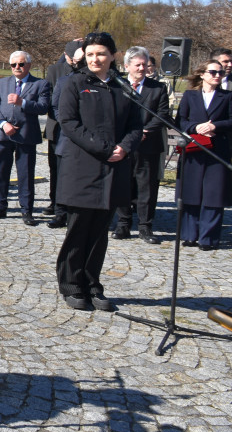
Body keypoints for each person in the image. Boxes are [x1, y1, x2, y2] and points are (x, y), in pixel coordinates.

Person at [55, 32, 142, 311]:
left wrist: (125, 148)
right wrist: (106, 148)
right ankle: (71, 284)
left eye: (101, 53)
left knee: (100, 232)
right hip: (83, 167)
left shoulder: (122, 86)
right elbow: (68, 122)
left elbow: (136, 125)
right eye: (90, 54)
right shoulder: (74, 83)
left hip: (114, 169)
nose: (95, 59)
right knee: (78, 229)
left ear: (113, 56)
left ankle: (93, 284)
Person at [112, 47, 170, 244]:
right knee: (123, 185)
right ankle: (123, 224)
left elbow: (162, 115)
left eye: (145, 64)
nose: (142, 68)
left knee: (147, 188)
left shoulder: (157, 88)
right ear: (127, 66)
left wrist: (144, 131)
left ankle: (146, 226)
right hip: (123, 145)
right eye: (138, 65)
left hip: (147, 146)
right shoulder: (116, 86)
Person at [0, 51, 51, 225]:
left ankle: (26, 210)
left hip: (26, 136)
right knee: (0, 172)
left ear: (29, 65)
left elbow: (43, 107)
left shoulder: (41, 84)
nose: (17, 67)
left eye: (21, 64)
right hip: (3, 134)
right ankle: (0, 205)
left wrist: (22, 102)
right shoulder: (3, 83)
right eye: (13, 65)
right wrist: (2, 124)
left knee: (26, 174)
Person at [176, 60, 232, 251]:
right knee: (191, 192)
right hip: (194, 150)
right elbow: (180, 121)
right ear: (202, 74)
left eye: (221, 73)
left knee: (213, 195)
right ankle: (190, 235)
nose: (218, 75)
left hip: (218, 151)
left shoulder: (228, 96)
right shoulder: (190, 95)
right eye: (214, 72)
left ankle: (208, 238)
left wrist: (215, 126)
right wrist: (195, 127)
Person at [44, 40, 84, 228]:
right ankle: (57, 205)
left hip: (82, 132)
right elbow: (52, 101)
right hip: (59, 128)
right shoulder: (56, 72)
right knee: (57, 170)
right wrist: (66, 122)